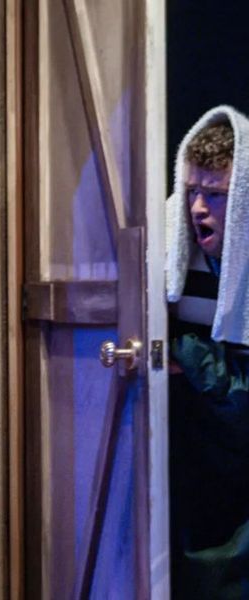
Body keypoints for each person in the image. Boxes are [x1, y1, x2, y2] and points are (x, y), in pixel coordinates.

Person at [165, 106, 249, 597]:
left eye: (215, 194)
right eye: (192, 191)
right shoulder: (176, 256)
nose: (197, 208)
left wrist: (187, 355)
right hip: (196, 468)